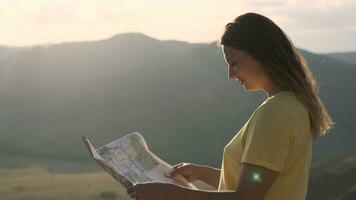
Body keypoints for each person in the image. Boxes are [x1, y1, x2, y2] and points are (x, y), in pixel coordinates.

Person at [126, 12, 334, 200]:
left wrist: (172, 195)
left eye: (234, 63)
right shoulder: (293, 105)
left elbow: (247, 198)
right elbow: (257, 185)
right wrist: (200, 173)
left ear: (261, 55)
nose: (231, 75)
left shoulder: (275, 113)